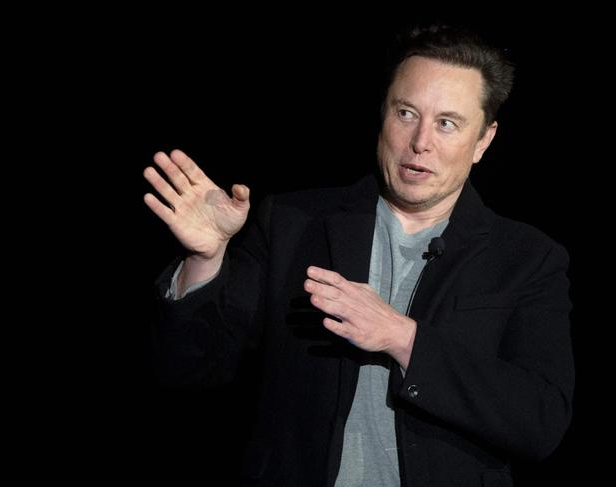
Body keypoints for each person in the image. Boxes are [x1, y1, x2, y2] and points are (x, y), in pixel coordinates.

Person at [143, 24, 574, 487]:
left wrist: (402, 337)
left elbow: (541, 421)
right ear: (383, 114)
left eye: (447, 123)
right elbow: (187, 372)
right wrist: (205, 261)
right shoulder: (293, 223)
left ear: (484, 140)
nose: (421, 141)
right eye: (406, 113)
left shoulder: (527, 258)